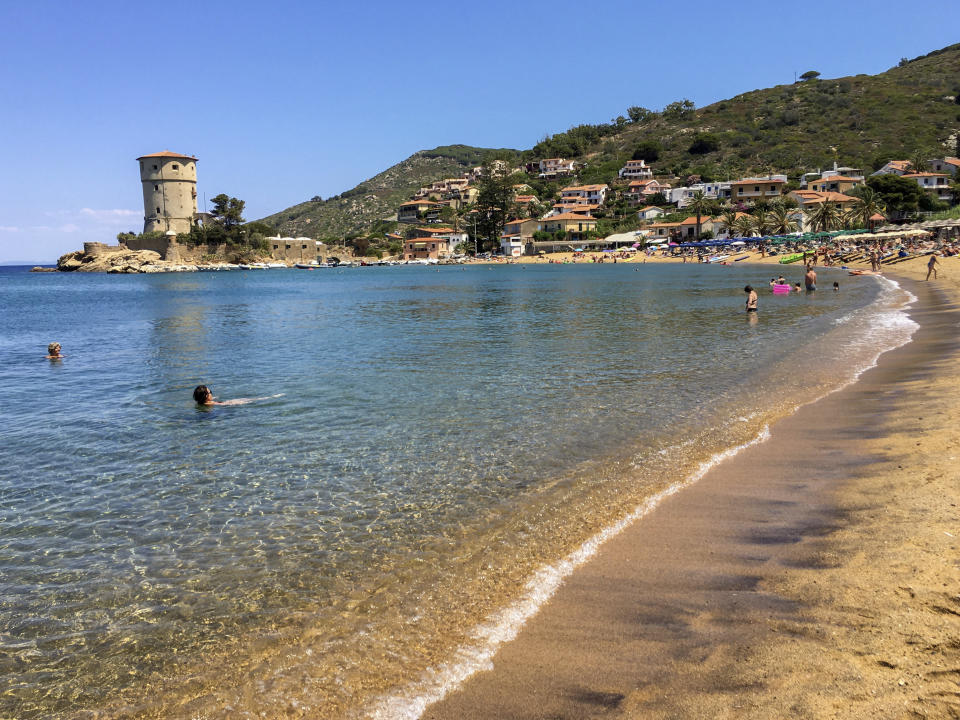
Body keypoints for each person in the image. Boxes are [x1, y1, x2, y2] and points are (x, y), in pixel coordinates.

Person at [193, 385, 283, 407]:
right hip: (230, 403)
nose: (212, 394)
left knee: (252, 399)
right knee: (255, 399)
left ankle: (272, 397)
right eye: (210, 392)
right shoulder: (209, 404)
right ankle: (273, 397)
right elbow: (220, 405)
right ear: (205, 396)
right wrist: (233, 404)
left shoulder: (202, 403)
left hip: (228, 402)